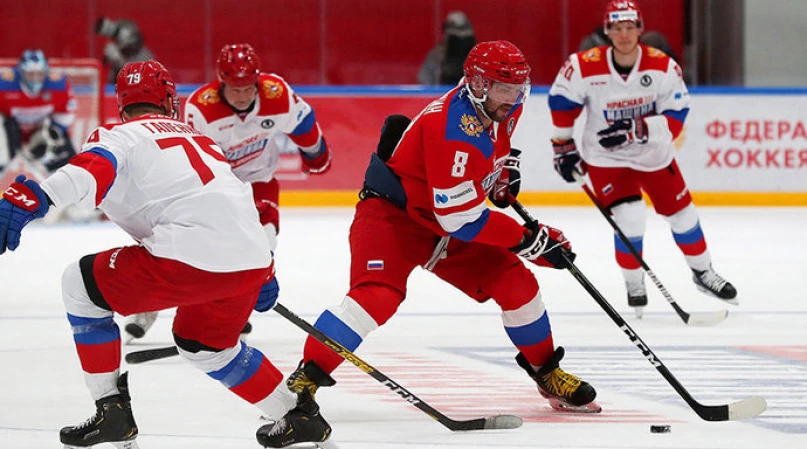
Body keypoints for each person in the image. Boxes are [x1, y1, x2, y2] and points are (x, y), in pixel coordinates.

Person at [256, 40, 600, 448]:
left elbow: (490, 157)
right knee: (377, 296)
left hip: (442, 221)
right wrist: (528, 239)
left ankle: (546, 373)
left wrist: (502, 172)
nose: (512, 97)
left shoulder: (502, 107)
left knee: (517, 284)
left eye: (517, 88)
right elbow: (461, 219)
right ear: (477, 84)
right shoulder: (451, 127)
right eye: (502, 88)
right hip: (394, 218)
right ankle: (304, 381)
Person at [0, 60, 297, 448]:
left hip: (187, 258)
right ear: (170, 101)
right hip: (253, 260)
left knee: (79, 285)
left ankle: (110, 410)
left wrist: (32, 198)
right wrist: (265, 271)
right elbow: (233, 204)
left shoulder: (119, 135)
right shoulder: (202, 140)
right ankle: (297, 415)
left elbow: (90, 170)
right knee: (207, 347)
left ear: (122, 103)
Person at [122, 42, 332, 342]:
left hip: (258, 180)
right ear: (221, 83)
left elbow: (303, 122)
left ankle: (233, 311)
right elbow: (196, 161)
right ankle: (150, 306)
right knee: (190, 245)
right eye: (235, 89)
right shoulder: (201, 108)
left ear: (257, 81)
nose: (243, 96)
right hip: (214, 186)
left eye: (248, 88)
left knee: (263, 243)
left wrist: (316, 154)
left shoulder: (276, 93)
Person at [548, 0, 737, 318]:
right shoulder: (582, 66)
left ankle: (703, 273)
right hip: (606, 158)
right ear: (607, 31)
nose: (624, 34)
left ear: (640, 29)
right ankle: (634, 282)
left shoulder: (662, 66)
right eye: (617, 28)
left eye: (629, 27)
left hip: (653, 155)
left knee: (684, 216)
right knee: (630, 218)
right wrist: (562, 145)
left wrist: (638, 129)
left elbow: (677, 113)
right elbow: (561, 102)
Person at [0, 49, 77, 175]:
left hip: (42, 131)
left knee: (67, 168)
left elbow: (65, 114)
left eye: (39, 74)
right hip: (10, 131)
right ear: (21, 72)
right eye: (30, 74)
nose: (35, 78)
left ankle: (65, 180)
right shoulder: (4, 84)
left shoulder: (58, 86)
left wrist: (52, 133)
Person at [417, 11, 476, 85]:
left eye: (465, 39)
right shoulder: (435, 56)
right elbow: (425, 85)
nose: (460, 45)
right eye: (454, 40)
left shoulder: (478, 57)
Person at [95, 17, 155, 83]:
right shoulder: (118, 53)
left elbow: (137, 80)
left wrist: (119, 61)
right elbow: (110, 82)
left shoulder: (145, 55)